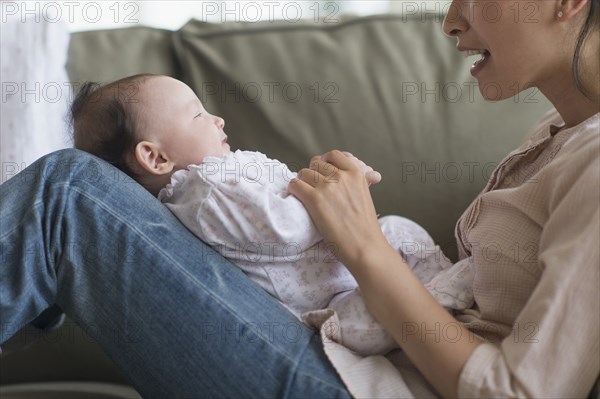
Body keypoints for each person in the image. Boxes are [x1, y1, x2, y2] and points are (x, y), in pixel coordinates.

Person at [0, 0, 598, 398]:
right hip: (357, 358)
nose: (451, 20)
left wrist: (365, 247)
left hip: (365, 386)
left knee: (65, 195)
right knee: (73, 194)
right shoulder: (559, 131)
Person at [68, 74, 475, 356]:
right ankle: (447, 292)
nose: (217, 118)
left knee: (400, 229)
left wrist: (335, 191)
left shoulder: (217, 178)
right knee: (374, 302)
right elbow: (287, 231)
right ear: (155, 157)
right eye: (197, 114)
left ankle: (439, 288)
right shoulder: (205, 192)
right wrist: (334, 194)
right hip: (327, 308)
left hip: (341, 275)